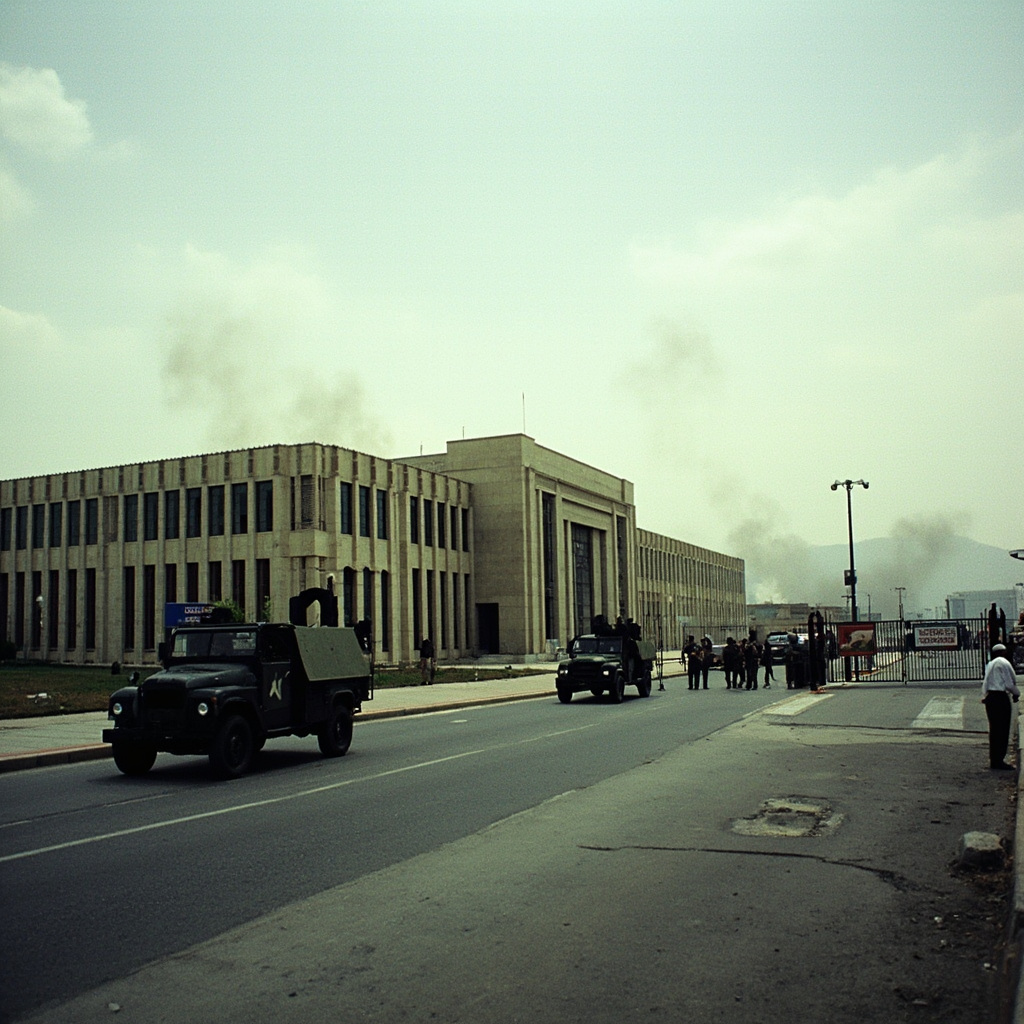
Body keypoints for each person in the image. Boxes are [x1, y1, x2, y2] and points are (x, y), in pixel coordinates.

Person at [981, 644, 1019, 770]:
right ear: (1003, 652)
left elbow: (985, 682)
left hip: (991, 697)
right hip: (1000, 697)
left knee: (994, 729)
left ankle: (994, 759)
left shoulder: (990, 664)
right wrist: (1016, 693)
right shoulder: (1004, 663)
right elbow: (1009, 683)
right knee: (1003, 729)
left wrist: (985, 695)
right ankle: (1000, 760)